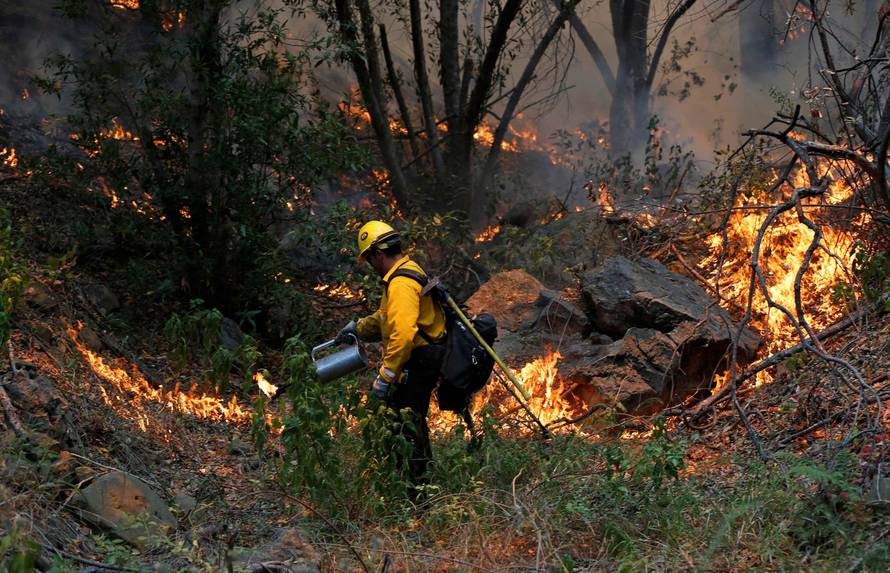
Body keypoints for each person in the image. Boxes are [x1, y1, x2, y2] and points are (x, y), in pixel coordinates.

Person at [337, 220, 446, 494]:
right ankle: (418, 487)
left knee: (406, 425)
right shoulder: (407, 272)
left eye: (369, 259)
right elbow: (388, 318)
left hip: (419, 359)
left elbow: (403, 334)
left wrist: (385, 377)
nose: (370, 265)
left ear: (377, 254)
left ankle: (416, 496)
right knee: (410, 422)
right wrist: (358, 328)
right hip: (421, 356)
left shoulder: (400, 283)